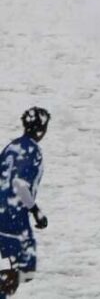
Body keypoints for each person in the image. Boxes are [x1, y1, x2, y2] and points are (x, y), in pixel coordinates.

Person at [0, 108, 50, 299]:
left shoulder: (10, 147)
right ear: (42, 129)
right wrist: (36, 211)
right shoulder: (33, 151)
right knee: (26, 269)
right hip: (14, 218)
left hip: (2, 211)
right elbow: (20, 184)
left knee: (11, 266)